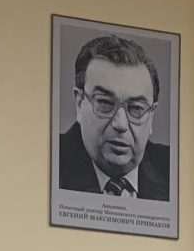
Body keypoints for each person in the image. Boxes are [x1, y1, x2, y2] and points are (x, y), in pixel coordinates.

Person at [57, 33, 171, 202]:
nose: (120, 124)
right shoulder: (48, 159)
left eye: (136, 108)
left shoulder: (172, 169)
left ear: (151, 115)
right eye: (105, 103)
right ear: (80, 103)